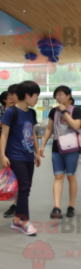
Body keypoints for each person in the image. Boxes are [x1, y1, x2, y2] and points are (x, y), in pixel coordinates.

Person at [1, 81, 41, 236]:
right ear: (27, 95)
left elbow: (32, 134)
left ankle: (17, 220)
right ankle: (25, 222)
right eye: (36, 95)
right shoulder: (11, 112)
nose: (37, 98)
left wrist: (37, 153)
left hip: (28, 156)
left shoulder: (32, 113)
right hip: (15, 156)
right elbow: (3, 135)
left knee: (25, 189)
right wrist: (3, 155)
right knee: (24, 189)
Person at [40, 85, 81, 219]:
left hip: (72, 149)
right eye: (56, 95)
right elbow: (49, 129)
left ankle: (71, 206)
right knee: (58, 177)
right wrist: (42, 145)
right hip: (57, 149)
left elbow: (76, 126)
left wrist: (65, 112)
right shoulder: (53, 111)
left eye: (61, 94)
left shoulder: (75, 110)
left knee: (70, 176)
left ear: (68, 96)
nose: (58, 97)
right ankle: (57, 207)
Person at [2, 88, 19, 218]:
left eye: (12, 95)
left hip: (14, 148)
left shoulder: (19, 111)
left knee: (15, 175)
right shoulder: (4, 112)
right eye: (9, 96)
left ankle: (15, 204)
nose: (11, 98)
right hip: (3, 146)